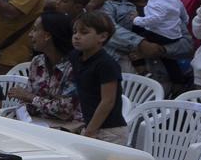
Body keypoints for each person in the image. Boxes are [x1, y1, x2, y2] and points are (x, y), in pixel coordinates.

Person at [7, 12, 81, 125]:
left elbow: (65, 110)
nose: (30, 34)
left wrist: (30, 97)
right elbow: (27, 103)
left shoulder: (74, 66)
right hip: (37, 122)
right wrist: (29, 100)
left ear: (47, 36)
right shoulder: (37, 61)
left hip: (66, 128)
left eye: (35, 30)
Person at [69, 11, 127, 142]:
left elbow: (108, 101)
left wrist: (90, 131)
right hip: (90, 125)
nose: (77, 36)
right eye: (75, 32)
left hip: (110, 130)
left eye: (84, 32)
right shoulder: (76, 56)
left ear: (102, 37)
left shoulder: (106, 64)